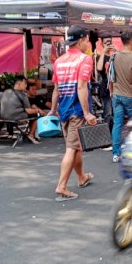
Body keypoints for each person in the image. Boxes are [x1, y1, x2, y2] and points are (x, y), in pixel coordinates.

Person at [48, 25, 97, 201]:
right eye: (87, 40)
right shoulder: (84, 60)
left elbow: (56, 89)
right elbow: (82, 87)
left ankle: (82, 177)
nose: (89, 43)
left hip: (63, 110)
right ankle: (61, 186)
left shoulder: (59, 61)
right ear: (82, 40)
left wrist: (53, 110)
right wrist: (87, 113)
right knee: (71, 148)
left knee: (76, 147)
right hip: (77, 110)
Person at [109, 31, 132, 163]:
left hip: (116, 96)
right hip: (130, 96)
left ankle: (116, 153)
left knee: (117, 124)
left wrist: (111, 91)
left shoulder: (114, 56)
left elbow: (111, 77)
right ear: (130, 42)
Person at [0, 75, 41, 144]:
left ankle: (14, 134)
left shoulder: (6, 91)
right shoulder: (23, 95)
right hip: (14, 117)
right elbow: (29, 111)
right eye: (25, 83)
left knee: (28, 113)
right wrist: (37, 110)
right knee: (35, 116)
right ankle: (31, 135)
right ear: (19, 84)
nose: (26, 86)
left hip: (3, 116)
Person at [95, 37, 114, 129]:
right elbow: (99, 68)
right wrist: (103, 52)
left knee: (115, 113)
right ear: (102, 44)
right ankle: (107, 136)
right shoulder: (100, 57)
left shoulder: (114, 55)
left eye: (110, 42)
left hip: (116, 87)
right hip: (106, 88)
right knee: (108, 113)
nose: (108, 44)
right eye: (106, 42)